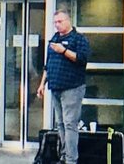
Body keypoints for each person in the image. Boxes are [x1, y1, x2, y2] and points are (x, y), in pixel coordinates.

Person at [37, 9, 90, 164]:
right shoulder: (54, 39)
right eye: (55, 22)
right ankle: (64, 155)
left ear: (68, 21)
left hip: (72, 87)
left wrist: (64, 51)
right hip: (55, 87)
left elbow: (81, 59)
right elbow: (48, 65)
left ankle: (72, 160)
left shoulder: (78, 39)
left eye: (60, 22)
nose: (57, 25)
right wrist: (42, 84)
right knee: (60, 123)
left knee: (70, 124)